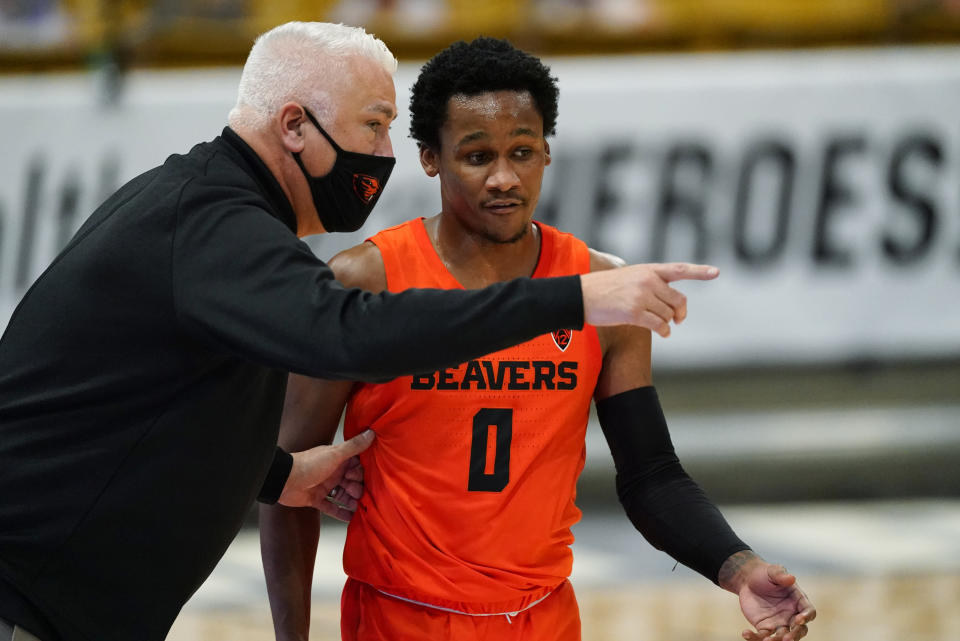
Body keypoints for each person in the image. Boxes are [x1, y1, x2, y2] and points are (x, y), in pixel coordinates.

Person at [0, 22, 719, 641]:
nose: (385, 151)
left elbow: (156, 401)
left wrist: (281, 475)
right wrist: (570, 299)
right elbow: (351, 334)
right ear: (294, 126)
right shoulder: (220, 225)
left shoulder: (211, 214)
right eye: (372, 125)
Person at [260, 37, 817, 641]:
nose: (504, 177)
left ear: (547, 154)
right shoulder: (363, 280)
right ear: (430, 157)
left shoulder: (605, 289)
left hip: (544, 620)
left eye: (522, 152)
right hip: (398, 616)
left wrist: (739, 568)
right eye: (476, 157)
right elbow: (289, 480)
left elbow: (651, 474)